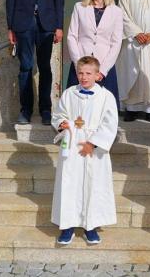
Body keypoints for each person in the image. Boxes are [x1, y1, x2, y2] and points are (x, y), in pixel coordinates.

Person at [51, 56, 119, 245]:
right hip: (72, 144)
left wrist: (93, 143)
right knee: (70, 184)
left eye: (88, 73)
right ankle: (68, 225)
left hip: (93, 147)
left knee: (93, 184)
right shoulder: (69, 93)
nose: (84, 77)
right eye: (80, 73)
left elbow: (110, 123)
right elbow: (58, 114)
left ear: (98, 75)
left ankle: (91, 225)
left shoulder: (106, 96)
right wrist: (62, 123)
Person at [6, 0, 65, 125]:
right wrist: (10, 28)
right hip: (23, 23)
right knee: (25, 67)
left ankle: (46, 110)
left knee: (45, 67)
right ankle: (26, 110)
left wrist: (58, 26)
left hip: (47, 24)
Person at [66, 0, 123, 111]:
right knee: (76, 108)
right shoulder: (79, 7)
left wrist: (102, 71)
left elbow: (116, 43)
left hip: (104, 69)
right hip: (80, 66)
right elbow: (72, 36)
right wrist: (79, 64)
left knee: (104, 108)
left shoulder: (116, 12)